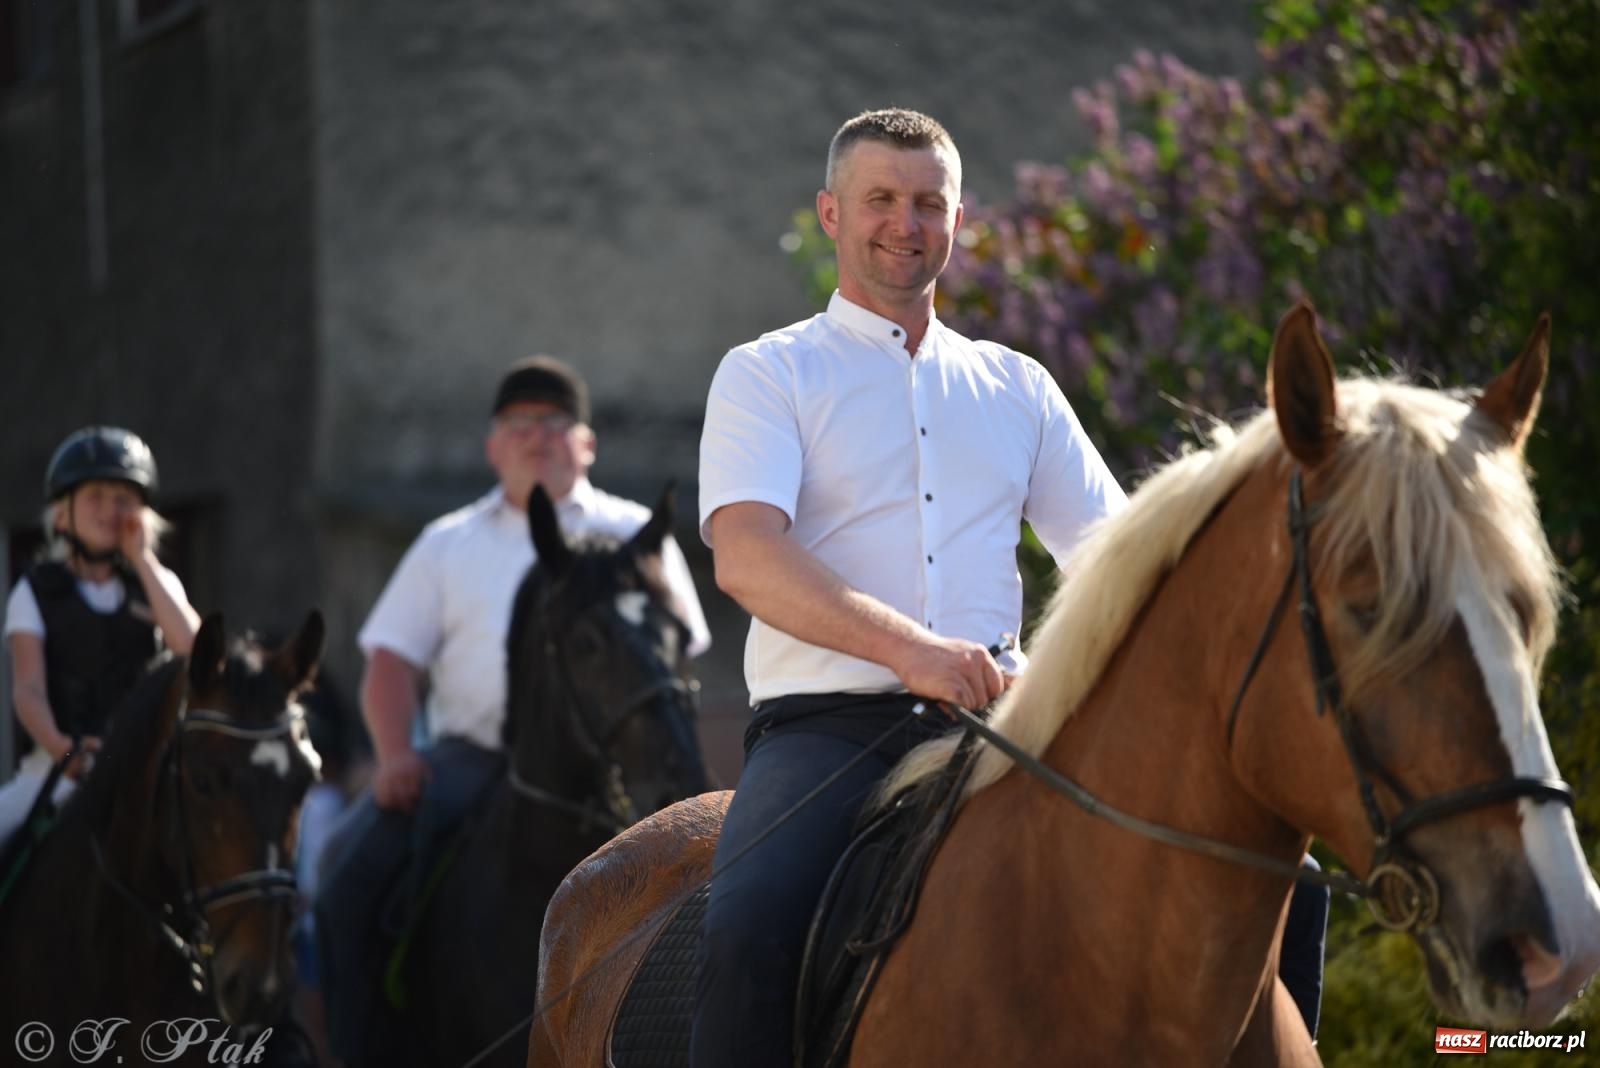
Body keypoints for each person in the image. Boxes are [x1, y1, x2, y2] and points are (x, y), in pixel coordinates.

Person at [691, 108, 1324, 1066]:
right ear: (830, 213)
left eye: (928, 204)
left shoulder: (1017, 386)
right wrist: (913, 651)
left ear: (958, 222)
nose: (905, 223)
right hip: (828, 733)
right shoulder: (769, 374)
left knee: (1296, 882)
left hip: (1006, 727)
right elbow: (745, 555)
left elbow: (1120, 560)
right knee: (751, 915)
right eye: (881, 201)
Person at [314, 354, 710, 1061]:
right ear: (493, 445)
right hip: (469, 760)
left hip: (617, 765)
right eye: (519, 423)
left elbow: (677, 655)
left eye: (555, 422)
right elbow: (390, 663)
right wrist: (397, 754)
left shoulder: (634, 533)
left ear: (586, 443)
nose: (537, 435)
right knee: (348, 869)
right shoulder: (448, 542)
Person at [1, 426, 200, 849]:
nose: (110, 510)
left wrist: (142, 559)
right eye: (95, 496)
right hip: (53, 774)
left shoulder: (156, 583)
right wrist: (64, 751)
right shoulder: (33, 591)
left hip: (146, 773)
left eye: (123, 499)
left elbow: (195, 650)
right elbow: (28, 689)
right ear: (61, 514)